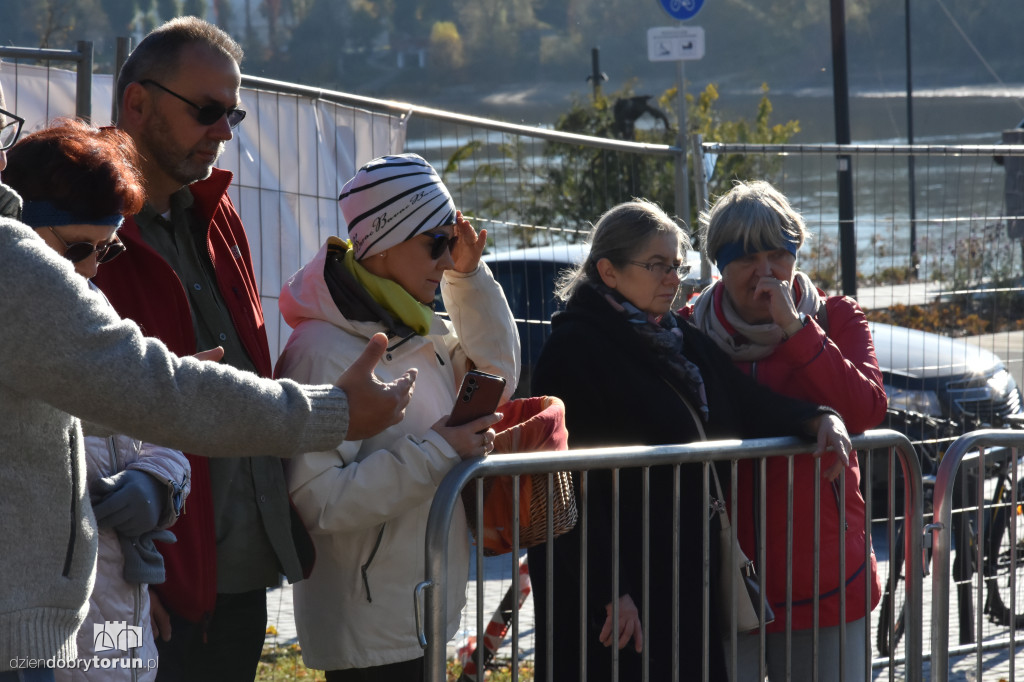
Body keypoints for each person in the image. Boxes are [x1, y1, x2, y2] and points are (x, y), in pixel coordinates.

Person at [0, 91, 414, 682]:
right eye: (77, 249)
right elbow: (155, 392)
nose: (91, 270)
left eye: (108, 248)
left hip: (99, 617)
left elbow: (115, 403)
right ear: (140, 101)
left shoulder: (205, 224)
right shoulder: (12, 265)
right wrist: (335, 412)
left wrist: (157, 472)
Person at [528, 199, 852, 682]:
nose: (672, 279)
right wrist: (608, 590)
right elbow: (569, 488)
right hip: (617, 588)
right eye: (656, 266)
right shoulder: (575, 349)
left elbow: (744, 401)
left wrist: (817, 418)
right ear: (608, 271)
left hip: (679, 573)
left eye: (676, 266)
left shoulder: (674, 333)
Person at [92, 16, 307, 680]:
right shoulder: (79, 226)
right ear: (137, 103)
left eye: (233, 113)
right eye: (208, 110)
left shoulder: (218, 214)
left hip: (238, 573)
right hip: (146, 578)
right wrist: (127, 577)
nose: (224, 130)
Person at [276, 153, 520, 681]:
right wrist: (437, 451)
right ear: (385, 241)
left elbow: (497, 373)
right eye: (437, 243)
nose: (446, 258)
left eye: (451, 242)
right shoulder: (324, 350)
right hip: (368, 631)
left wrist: (470, 278)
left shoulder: (417, 331)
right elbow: (316, 501)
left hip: (420, 610)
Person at [683, 180, 886, 681]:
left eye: (778, 254)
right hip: (726, 582)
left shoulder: (836, 317)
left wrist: (797, 332)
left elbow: (866, 409)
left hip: (826, 577)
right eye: (747, 258)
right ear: (719, 266)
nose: (765, 273)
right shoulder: (688, 328)